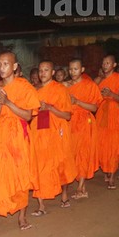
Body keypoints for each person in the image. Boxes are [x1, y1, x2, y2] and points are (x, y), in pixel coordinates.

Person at [0, 51, 40, 234]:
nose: (1, 68)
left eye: (5, 64)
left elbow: (28, 116)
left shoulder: (25, 86)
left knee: (20, 177)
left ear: (14, 66)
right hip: (0, 136)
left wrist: (8, 102)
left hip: (19, 136)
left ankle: (21, 217)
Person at [30, 61, 76, 215]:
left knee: (60, 164)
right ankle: (41, 205)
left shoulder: (60, 89)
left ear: (53, 72)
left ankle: (64, 195)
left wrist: (50, 108)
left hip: (57, 132)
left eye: (46, 70)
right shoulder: (34, 90)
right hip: (39, 132)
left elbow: (67, 115)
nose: (42, 73)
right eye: (40, 70)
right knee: (40, 166)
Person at [66, 59, 101, 199]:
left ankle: (80, 187)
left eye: (75, 69)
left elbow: (94, 108)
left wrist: (78, 102)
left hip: (85, 122)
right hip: (70, 123)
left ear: (82, 70)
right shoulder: (66, 86)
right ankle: (83, 187)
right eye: (70, 69)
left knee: (83, 152)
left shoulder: (90, 85)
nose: (72, 72)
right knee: (73, 153)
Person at [96, 55, 119, 189]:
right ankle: (106, 169)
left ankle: (112, 177)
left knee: (113, 143)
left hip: (114, 113)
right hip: (101, 113)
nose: (105, 65)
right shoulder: (99, 80)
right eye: (103, 63)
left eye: (108, 63)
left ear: (114, 65)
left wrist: (112, 95)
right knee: (102, 143)